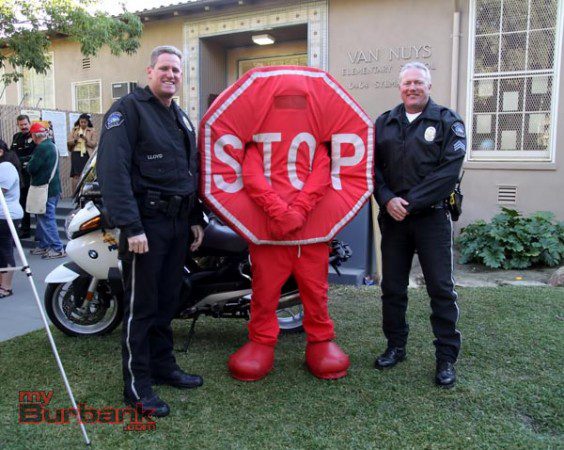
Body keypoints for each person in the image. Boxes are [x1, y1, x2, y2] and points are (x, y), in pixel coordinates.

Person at [97, 45, 204, 417]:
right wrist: (131, 227)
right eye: (165, 68)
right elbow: (112, 172)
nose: (171, 75)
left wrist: (195, 217)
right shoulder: (128, 110)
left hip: (177, 224)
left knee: (166, 301)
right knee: (141, 307)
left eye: (176, 70)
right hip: (146, 226)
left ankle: (163, 365)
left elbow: (189, 171)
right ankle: (137, 385)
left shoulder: (179, 116)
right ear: (150, 72)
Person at [373, 61, 466, 388]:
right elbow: (373, 169)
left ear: (429, 86)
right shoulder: (384, 122)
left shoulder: (447, 121)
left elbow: (448, 173)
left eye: (418, 83)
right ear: (400, 87)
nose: (412, 88)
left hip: (431, 218)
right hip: (394, 219)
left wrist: (408, 203)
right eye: (407, 83)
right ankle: (395, 346)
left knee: (440, 288)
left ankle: (446, 357)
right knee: (392, 288)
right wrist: (387, 198)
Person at [26, 122, 66, 259]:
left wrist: (27, 165)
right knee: (43, 218)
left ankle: (57, 248)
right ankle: (44, 245)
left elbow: (32, 168)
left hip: (44, 190)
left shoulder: (41, 148)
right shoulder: (53, 146)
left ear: (34, 135)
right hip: (53, 188)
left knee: (46, 219)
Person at [0, 140, 24, 298]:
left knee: (4, 250)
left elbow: (2, 189)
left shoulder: (6, 167)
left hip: (6, 215)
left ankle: (6, 287)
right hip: (4, 215)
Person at [10, 114, 36, 239]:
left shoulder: (34, 136)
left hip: (31, 175)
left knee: (34, 203)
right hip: (19, 176)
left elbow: (35, 156)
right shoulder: (16, 137)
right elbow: (12, 153)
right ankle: (25, 229)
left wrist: (19, 161)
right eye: (21, 125)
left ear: (29, 123)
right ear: (18, 125)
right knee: (22, 201)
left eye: (25, 124)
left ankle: (41, 232)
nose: (23, 127)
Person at [67, 113, 97, 192]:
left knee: (86, 175)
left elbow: (94, 144)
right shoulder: (74, 130)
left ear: (88, 122)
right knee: (76, 175)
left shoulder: (92, 131)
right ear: (79, 122)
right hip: (76, 154)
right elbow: (69, 143)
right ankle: (74, 193)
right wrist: (75, 140)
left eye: (85, 122)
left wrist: (86, 139)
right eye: (81, 122)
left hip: (86, 155)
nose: (83, 124)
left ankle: (84, 193)